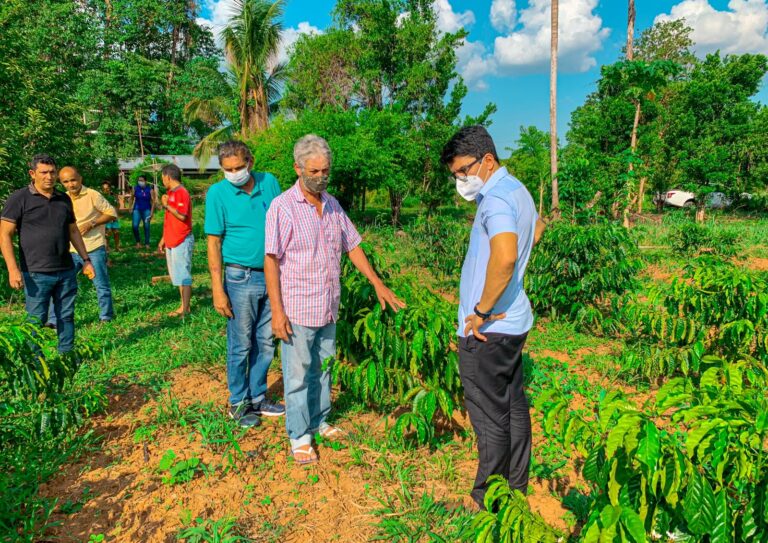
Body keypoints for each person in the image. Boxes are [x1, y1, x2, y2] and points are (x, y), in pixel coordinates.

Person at [265, 134, 405, 465]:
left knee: (324, 368)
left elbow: (352, 245)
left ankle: (319, 420)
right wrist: (277, 311)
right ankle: (299, 435)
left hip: (328, 305)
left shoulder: (332, 205)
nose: (321, 177)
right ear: (298, 168)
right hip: (298, 307)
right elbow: (270, 260)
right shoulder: (282, 207)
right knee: (298, 374)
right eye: (314, 171)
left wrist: (377, 283)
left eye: (325, 171)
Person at [440, 125, 546, 509]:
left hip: (488, 330)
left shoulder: (496, 199)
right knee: (513, 407)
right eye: (455, 174)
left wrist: (481, 311)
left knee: (489, 417)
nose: (460, 180)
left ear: (487, 160)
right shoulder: (517, 190)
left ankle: (487, 499)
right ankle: (515, 488)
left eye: (463, 171)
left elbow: (504, 257)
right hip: (513, 322)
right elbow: (537, 229)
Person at [206, 140, 285, 428]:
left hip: (272, 274)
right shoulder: (218, 193)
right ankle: (238, 402)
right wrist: (218, 289)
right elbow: (214, 242)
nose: (234, 173)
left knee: (265, 341)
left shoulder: (269, 182)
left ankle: (257, 396)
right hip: (240, 277)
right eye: (228, 169)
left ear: (250, 161)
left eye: (239, 167)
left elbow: (283, 222)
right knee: (240, 343)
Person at [0, 154, 95, 353]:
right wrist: (13, 269)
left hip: (66, 269)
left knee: (66, 316)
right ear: (32, 173)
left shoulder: (63, 199)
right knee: (36, 320)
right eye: (43, 172)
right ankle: (34, 361)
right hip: (36, 272)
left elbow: (73, 231)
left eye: (52, 172)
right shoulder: (19, 199)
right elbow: (4, 235)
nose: (49, 177)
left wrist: (86, 259)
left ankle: (67, 355)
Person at [47, 168, 117, 325]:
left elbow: (111, 213)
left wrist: (92, 223)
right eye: (66, 182)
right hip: (70, 250)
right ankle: (53, 320)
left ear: (80, 178)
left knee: (101, 285)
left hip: (93, 248)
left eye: (73, 180)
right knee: (61, 285)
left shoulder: (92, 194)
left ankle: (106, 317)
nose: (70, 184)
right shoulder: (62, 198)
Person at [157, 164, 193, 317]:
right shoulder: (171, 193)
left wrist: (166, 205)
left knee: (183, 274)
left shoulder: (181, 192)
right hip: (172, 239)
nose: (162, 181)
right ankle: (183, 305)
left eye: (162, 178)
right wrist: (164, 238)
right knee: (177, 275)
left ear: (168, 177)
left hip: (181, 239)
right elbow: (170, 219)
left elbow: (182, 216)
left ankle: (186, 308)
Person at [131, 175, 155, 248]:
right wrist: (130, 207)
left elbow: (153, 202)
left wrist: (152, 212)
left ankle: (147, 243)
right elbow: (131, 198)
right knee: (135, 226)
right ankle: (138, 242)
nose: (140, 182)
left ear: (145, 181)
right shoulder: (135, 188)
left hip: (147, 210)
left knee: (146, 226)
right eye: (139, 180)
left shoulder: (150, 190)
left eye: (142, 180)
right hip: (137, 210)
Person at [101, 181, 121, 253]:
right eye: (104, 189)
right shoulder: (102, 197)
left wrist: (116, 215)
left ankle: (117, 247)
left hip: (114, 217)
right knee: (108, 233)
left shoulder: (113, 196)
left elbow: (117, 206)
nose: (106, 190)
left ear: (109, 188)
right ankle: (107, 247)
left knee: (116, 232)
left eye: (107, 188)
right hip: (106, 217)